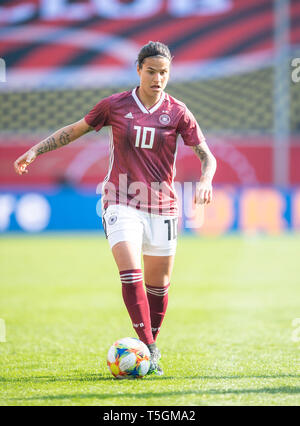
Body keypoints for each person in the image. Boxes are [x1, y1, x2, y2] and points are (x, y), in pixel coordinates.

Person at [14, 41, 217, 376]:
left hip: (163, 206)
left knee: (159, 286)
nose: (157, 78)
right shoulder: (115, 105)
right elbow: (74, 130)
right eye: (151, 71)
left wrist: (206, 180)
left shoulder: (178, 111)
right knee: (130, 272)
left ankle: (152, 341)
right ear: (139, 70)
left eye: (163, 72)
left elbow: (206, 154)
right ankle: (149, 349)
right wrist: (36, 151)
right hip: (120, 200)